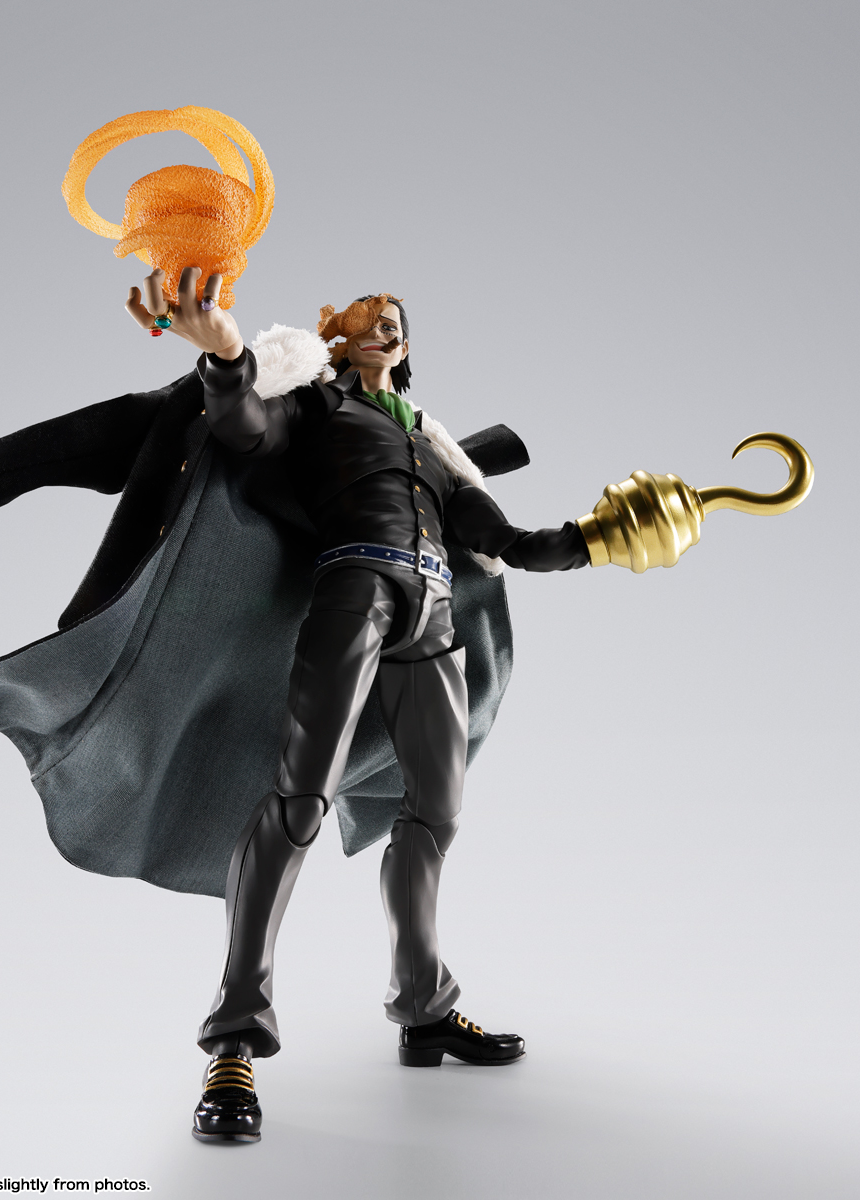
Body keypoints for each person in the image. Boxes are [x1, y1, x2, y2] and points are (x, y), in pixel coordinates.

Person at [125, 265, 591, 1144]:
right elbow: (244, 429)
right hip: (355, 590)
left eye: (398, 318)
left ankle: (424, 1008)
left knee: (437, 813)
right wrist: (225, 358)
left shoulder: (431, 443)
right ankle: (234, 1042)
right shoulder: (316, 406)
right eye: (372, 316)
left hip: (434, 612)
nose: (389, 325)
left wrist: (604, 538)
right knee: (299, 800)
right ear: (336, 335)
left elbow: (507, 541)